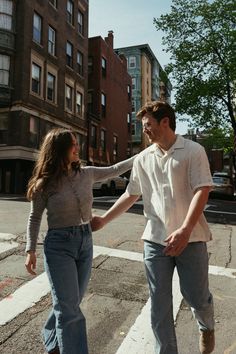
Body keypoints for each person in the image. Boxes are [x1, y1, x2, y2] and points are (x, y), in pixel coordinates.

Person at [91, 101, 215, 354]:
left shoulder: (193, 150)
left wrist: (185, 229)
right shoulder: (143, 158)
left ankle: (206, 326)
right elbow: (130, 194)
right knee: (159, 303)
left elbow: (202, 189)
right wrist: (104, 220)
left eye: (148, 125)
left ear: (165, 122)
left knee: (197, 298)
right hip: (155, 239)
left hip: (191, 238)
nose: (144, 130)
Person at [25, 128, 135, 354]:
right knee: (69, 309)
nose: (78, 148)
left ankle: (53, 340)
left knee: (69, 303)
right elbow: (34, 217)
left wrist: (145, 154)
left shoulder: (86, 173)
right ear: (59, 149)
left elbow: (115, 169)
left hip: (85, 241)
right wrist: (30, 250)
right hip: (58, 246)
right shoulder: (44, 184)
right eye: (73, 144)